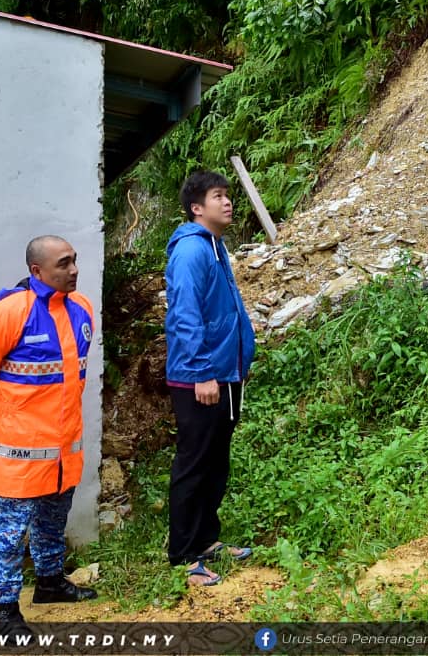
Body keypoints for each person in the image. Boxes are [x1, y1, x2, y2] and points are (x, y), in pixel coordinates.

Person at [0, 235, 98, 636]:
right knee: (9, 533)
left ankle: (50, 584)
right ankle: (4, 611)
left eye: (74, 261)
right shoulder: (7, 313)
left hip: (63, 450)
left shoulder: (82, 309)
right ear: (37, 271)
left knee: (52, 522)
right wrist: (4, 416)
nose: (73, 270)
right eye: (63, 264)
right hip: (18, 454)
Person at [164, 170, 257, 587]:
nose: (228, 202)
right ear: (197, 207)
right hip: (199, 378)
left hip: (223, 374)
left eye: (228, 195)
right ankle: (184, 553)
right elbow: (186, 316)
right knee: (195, 464)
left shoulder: (215, 247)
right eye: (218, 196)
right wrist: (203, 372)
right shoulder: (191, 251)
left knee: (215, 463)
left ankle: (206, 540)